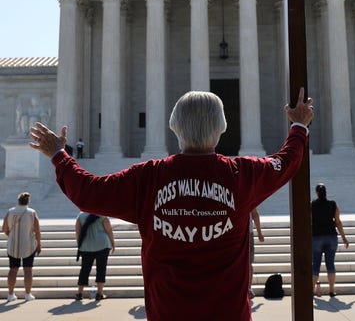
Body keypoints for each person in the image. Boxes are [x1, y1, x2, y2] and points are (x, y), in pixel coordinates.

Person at [28, 87, 313, 321]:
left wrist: (58, 155)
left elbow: (86, 192)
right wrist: (298, 125)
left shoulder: (148, 178)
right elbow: (287, 162)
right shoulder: (242, 174)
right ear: (223, 127)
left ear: (174, 128)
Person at [2, 192, 41, 302]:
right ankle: (28, 294)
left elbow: (4, 229)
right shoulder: (32, 213)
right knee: (28, 270)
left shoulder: (10, 212)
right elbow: (37, 230)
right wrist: (39, 244)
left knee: (13, 270)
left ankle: (10, 294)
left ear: (18, 200)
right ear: (28, 201)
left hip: (13, 246)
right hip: (28, 245)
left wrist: (11, 235)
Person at [311, 183, 349, 297]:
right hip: (331, 236)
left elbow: (309, 221)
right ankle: (332, 290)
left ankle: (312, 290)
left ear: (316, 192)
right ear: (326, 192)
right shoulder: (333, 204)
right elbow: (338, 222)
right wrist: (344, 237)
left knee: (315, 264)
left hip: (317, 236)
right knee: (330, 264)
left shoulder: (312, 205)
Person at [75, 212, 115, 301]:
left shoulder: (80, 216)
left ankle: (79, 293)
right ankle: (99, 293)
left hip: (86, 246)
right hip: (103, 245)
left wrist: (79, 245)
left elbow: (78, 232)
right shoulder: (102, 215)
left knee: (85, 269)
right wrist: (113, 243)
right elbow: (109, 230)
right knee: (101, 268)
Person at [249, 207, 264, 299]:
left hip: (247, 234)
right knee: (248, 263)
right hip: (240, 233)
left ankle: (248, 288)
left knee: (248, 262)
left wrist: (259, 233)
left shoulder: (248, 197)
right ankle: (248, 288)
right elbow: (255, 214)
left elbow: (255, 214)